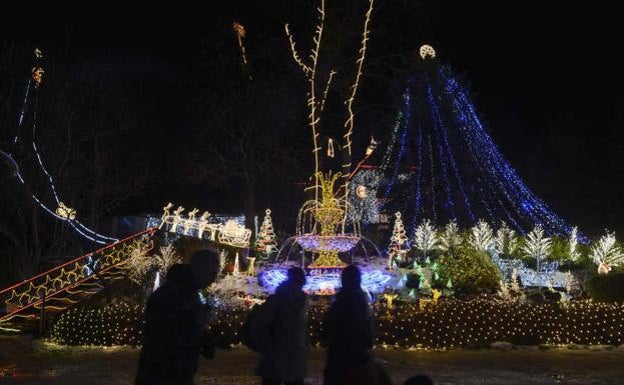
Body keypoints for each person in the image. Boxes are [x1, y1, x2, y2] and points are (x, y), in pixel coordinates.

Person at [135, 249, 221, 385]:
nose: (213, 280)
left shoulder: (189, 293)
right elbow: (163, 333)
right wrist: (197, 332)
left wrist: (204, 337)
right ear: (199, 269)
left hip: (176, 371)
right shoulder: (174, 294)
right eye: (211, 274)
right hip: (161, 372)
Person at [322, 265, 380, 385]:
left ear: (343, 281)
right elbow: (369, 334)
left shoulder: (339, 303)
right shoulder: (362, 304)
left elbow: (326, 330)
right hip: (357, 358)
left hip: (338, 359)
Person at [256, 267, 308, 385]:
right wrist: (267, 347)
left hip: (293, 355)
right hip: (278, 354)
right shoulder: (278, 301)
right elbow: (262, 325)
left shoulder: (300, 301)